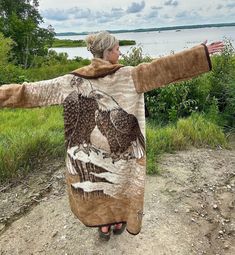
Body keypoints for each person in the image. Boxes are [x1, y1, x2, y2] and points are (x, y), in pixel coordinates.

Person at [0, 31, 224, 241]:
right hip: (118, 153)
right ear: (107, 52)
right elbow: (163, 69)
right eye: (117, 49)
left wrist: (2, 94)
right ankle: (115, 224)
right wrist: (199, 53)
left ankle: (104, 226)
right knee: (119, 185)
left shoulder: (72, 80)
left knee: (98, 185)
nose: (121, 53)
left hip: (103, 150)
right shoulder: (128, 75)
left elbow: (31, 92)